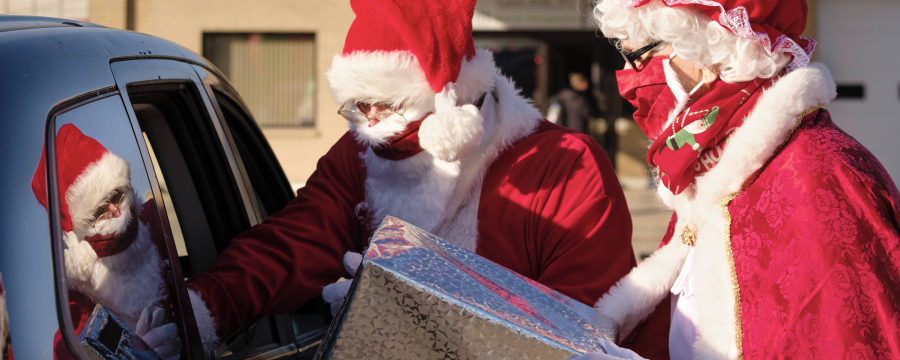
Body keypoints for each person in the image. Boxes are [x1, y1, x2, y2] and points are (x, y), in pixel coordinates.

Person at [185, 0, 668, 357]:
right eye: (358, 107)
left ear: (450, 103)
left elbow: (584, 325)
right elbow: (292, 243)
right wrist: (202, 309)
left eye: (387, 105)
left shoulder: (564, 165)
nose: (371, 123)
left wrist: (420, 301)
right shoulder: (359, 156)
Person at [578, 0, 900, 359]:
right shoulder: (712, 171)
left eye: (637, 54)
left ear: (708, 49)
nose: (628, 75)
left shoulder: (817, 175)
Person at [31, 124, 182, 360]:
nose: (116, 210)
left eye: (115, 194)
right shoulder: (72, 327)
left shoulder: (159, 225)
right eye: (99, 210)